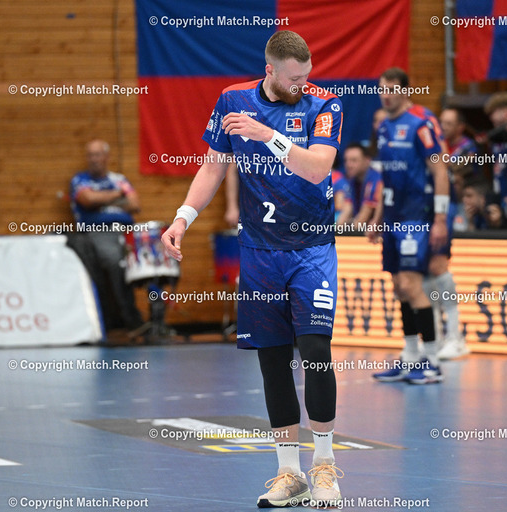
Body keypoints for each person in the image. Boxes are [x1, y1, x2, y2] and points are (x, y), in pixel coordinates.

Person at [160, 31, 344, 508]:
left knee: (315, 351)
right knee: (272, 360)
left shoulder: (324, 104)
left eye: (306, 76)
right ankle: (289, 474)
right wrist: (182, 218)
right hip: (260, 252)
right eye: (293, 79)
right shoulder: (233, 100)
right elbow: (213, 167)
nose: (302, 85)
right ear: (270, 71)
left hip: (311, 249)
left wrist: (267, 135)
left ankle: (325, 466)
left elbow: (318, 169)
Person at [367, 67, 450, 382]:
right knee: (400, 288)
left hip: (417, 215)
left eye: (392, 89)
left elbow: (440, 171)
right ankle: (410, 357)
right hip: (392, 216)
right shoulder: (383, 127)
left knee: (413, 285)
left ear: (404, 91)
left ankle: (432, 361)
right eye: (382, 89)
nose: (386, 95)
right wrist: (377, 218)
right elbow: (386, 179)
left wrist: (439, 218)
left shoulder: (420, 124)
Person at [69, 139, 143, 333]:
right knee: (115, 261)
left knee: (154, 259)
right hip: (98, 232)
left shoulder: (119, 179)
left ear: (106, 157)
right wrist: (118, 196)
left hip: (127, 232)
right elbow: (87, 200)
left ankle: (156, 318)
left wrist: (101, 200)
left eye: (97, 155)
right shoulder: (80, 180)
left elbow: (135, 204)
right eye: (90, 155)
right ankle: (131, 319)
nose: (93, 159)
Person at [336, 143, 381, 227]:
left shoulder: (376, 179)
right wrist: (336, 231)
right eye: (346, 160)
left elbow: (364, 215)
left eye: (354, 160)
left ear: (367, 160)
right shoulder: (352, 180)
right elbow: (347, 209)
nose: (348, 165)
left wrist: (349, 232)